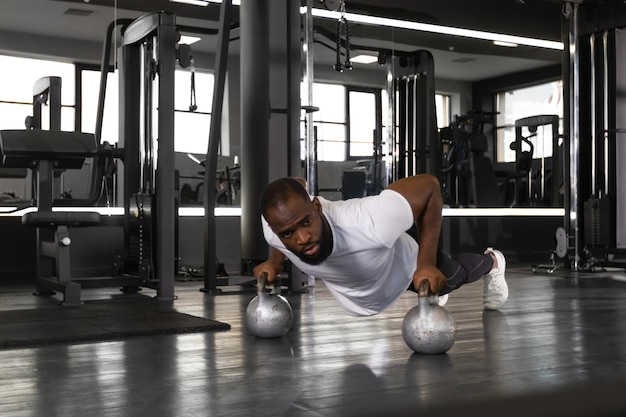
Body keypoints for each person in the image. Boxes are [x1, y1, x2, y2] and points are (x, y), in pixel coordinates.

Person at [253, 174, 508, 317]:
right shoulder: (274, 231)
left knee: (452, 276)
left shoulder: (369, 221)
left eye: (306, 222)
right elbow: (296, 190)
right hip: (364, 285)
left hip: (403, 265)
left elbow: (429, 186)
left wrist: (426, 264)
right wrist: (275, 262)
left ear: (316, 207)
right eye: (287, 233)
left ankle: (493, 262)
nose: (302, 239)